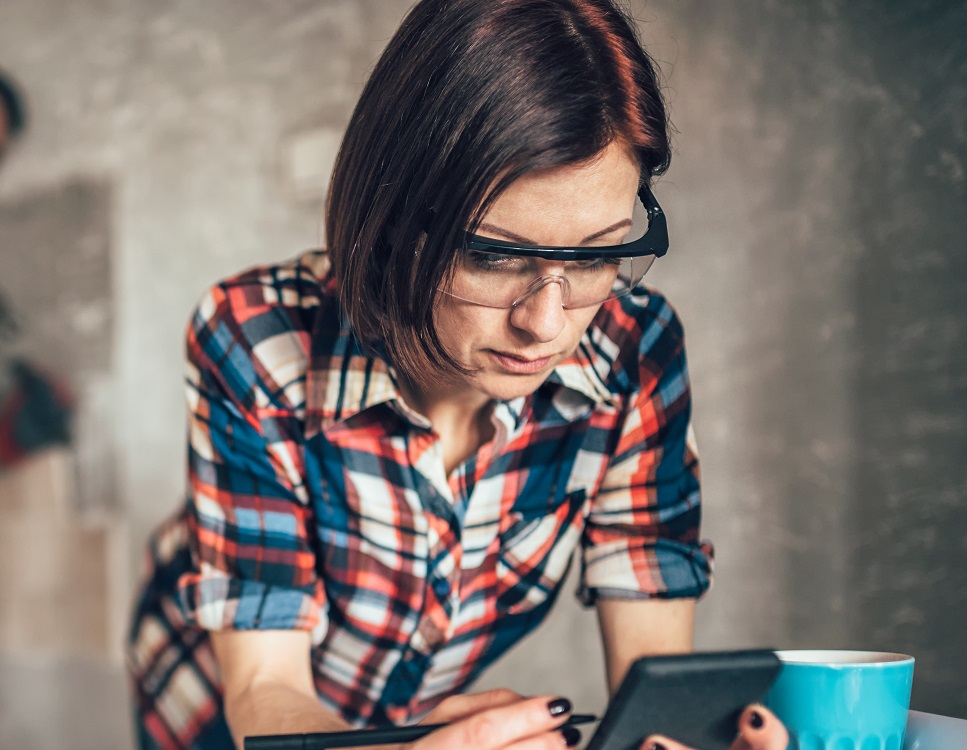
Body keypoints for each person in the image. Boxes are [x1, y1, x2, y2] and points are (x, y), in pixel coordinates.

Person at [127, 1, 788, 749]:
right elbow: (266, 688)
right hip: (215, 708)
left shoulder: (636, 352)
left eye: (596, 255)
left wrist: (681, 741)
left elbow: (657, 690)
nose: (547, 323)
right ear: (393, 215)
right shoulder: (254, 338)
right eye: (494, 256)